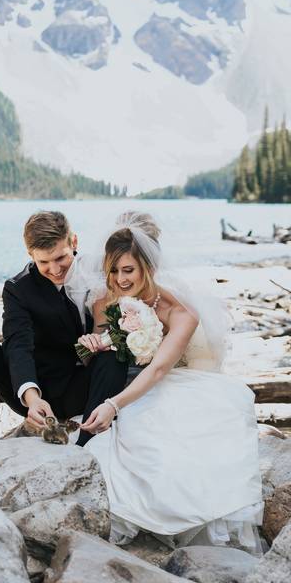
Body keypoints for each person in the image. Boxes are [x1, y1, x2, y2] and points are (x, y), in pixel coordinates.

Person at [76, 215, 263, 550]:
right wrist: (93, 343)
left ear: (147, 267)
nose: (119, 279)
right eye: (114, 270)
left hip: (171, 381)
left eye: (128, 270)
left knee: (169, 446)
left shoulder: (181, 313)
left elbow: (159, 369)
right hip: (124, 382)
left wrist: (114, 404)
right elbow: (102, 350)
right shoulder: (103, 300)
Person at [0, 211, 128, 451]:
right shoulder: (17, 289)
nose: (55, 269)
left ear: (74, 242)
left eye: (60, 258)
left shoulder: (102, 273)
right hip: (37, 389)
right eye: (43, 262)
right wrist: (32, 397)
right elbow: (18, 345)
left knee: (113, 356)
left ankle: (86, 444)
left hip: (83, 386)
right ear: (31, 255)